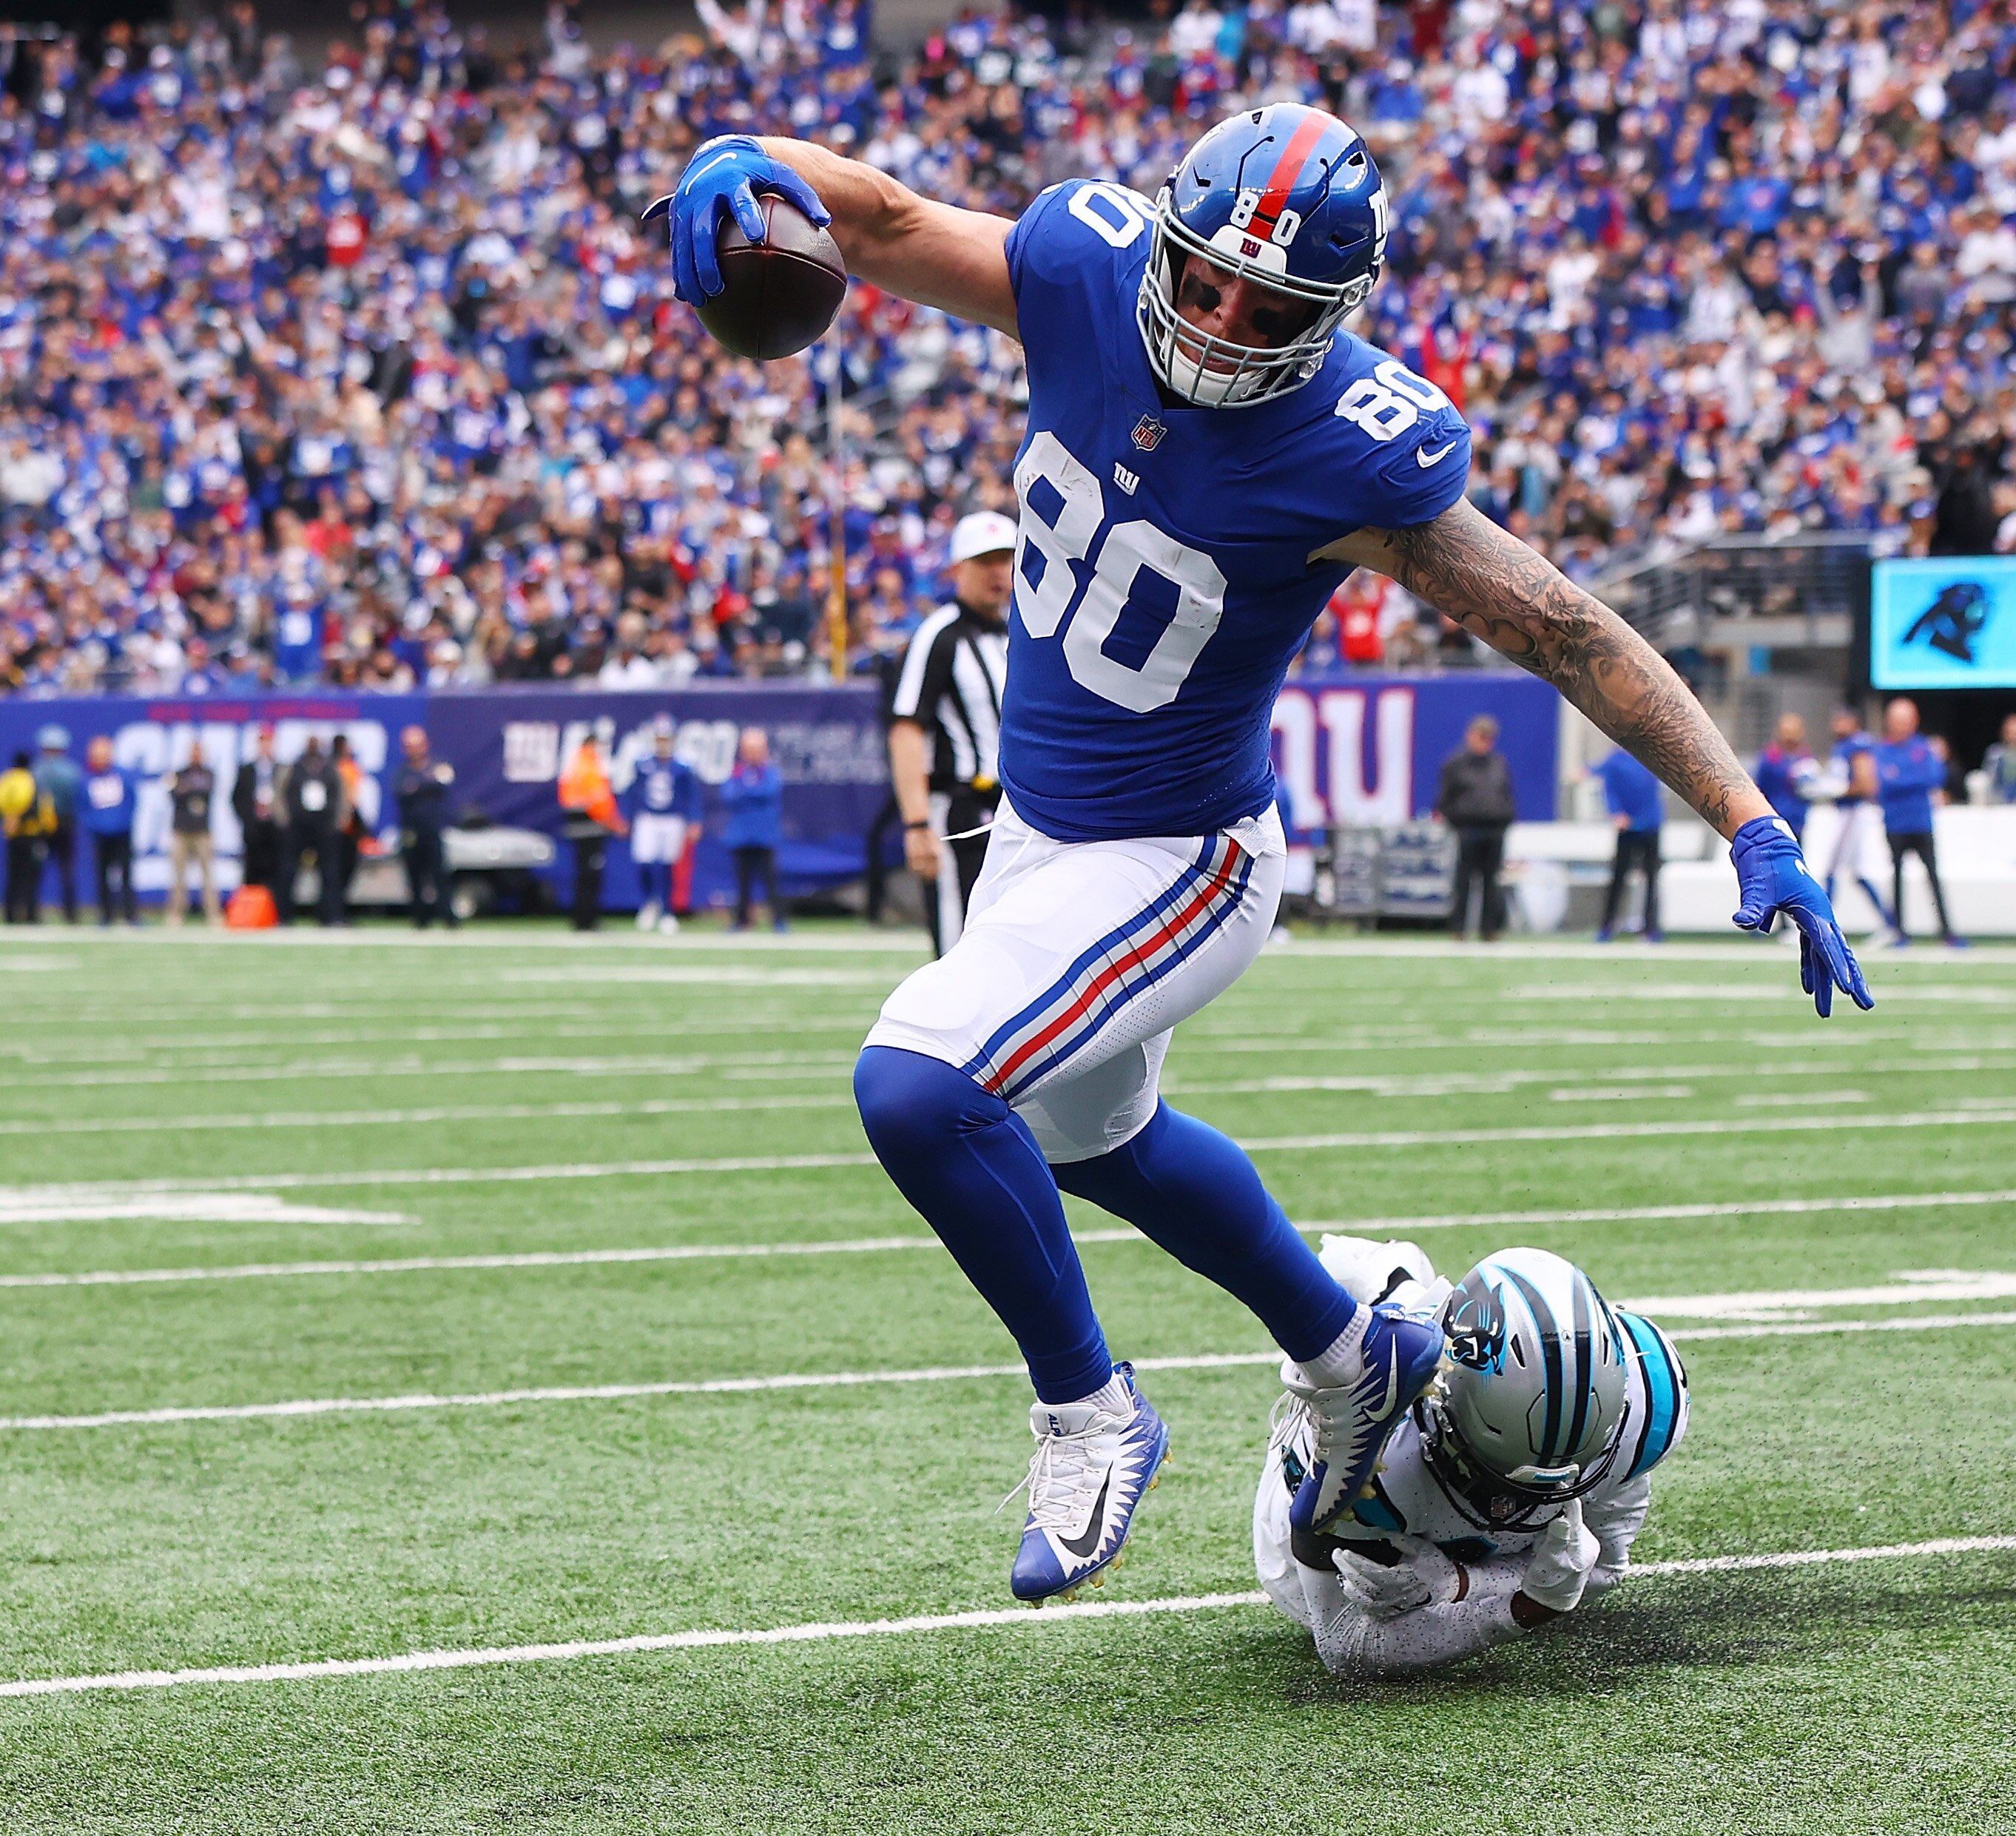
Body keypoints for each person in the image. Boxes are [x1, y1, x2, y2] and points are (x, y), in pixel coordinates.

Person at [656, 107, 1863, 1602]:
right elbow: (886, 220)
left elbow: (1564, 629)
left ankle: (1090, 1411)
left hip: (1181, 856)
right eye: (1208, 280)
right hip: (1037, 832)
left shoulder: (1352, 444)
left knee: (916, 1082)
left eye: (1270, 307)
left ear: (1332, 314)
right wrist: (743, 156)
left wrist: (1748, 819)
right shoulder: (1084, 270)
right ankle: (1354, 1354)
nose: (1224, 322)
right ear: (1166, 241)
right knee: (1096, 1141)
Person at [1253, 1238, 1687, 1678]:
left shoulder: (1644, 1403)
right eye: (1496, 1473)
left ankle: (1398, 1290)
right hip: (1368, 1531)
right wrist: (1527, 1607)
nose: (1525, 1500)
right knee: (1374, 1599)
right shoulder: (1366, 1452)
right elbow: (1345, 1643)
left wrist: (1463, 1584)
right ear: (1445, 1411)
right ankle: (1385, 1294)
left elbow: (1604, 1567)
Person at [890, 510, 1015, 953]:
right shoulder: (939, 635)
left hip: (1012, 813)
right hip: (958, 810)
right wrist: (917, 823)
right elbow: (906, 729)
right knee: (958, 950)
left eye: (1005, 559)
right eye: (985, 561)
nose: (997, 572)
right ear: (958, 569)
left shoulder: (1019, 635)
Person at [1874, 697, 1961, 947]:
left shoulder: (1923, 748)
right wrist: (1910, 779)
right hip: (1895, 823)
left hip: (1921, 822)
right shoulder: (1883, 750)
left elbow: (1933, 777)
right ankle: (1899, 931)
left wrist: (1900, 778)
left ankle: (1946, 931)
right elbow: (1884, 782)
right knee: (1897, 879)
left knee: (1933, 877)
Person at [1807, 706, 1895, 934]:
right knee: (1858, 873)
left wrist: (1837, 790)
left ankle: (1820, 925)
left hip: (1853, 812)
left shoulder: (1858, 745)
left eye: (1841, 720)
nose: (1835, 725)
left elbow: (1866, 784)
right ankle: (1890, 924)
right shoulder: (1842, 746)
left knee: (1832, 869)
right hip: (1846, 812)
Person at [623, 715, 705, 934]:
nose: (663, 743)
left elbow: (693, 796)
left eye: (666, 739)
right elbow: (632, 792)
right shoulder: (642, 764)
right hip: (648, 817)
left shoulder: (682, 766)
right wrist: (627, 817)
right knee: (644, 862)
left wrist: (694, 820)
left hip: (673, 818)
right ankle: (650, 901)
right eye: (660, 738)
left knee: (668, 866)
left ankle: (667, 911)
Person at [1437, 714, 1516, 940]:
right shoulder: (1456, 764)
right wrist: (1457, 822)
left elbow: (1506, 794)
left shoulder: (1498, 763)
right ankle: (1459, 929)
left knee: (1492, 882)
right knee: (1464, 881)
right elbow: (1445, 798)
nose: (1485, 742)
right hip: (1468, 828)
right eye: (1482, 737)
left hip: (1494, 829)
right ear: (1471, 736)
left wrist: (1505, 818)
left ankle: (1490, 929)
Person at [721, 726, 789, 932]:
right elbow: (728, 795)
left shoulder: (770, 772)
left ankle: (778, 921)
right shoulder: (738, 771)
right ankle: (741, 921)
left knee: (771, 881)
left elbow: (768, 793)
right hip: (742, 835)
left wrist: (746, 792)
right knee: (742, 883)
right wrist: (750, 793)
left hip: (765, 835)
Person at [1591, 745, 1662, 941]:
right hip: (1627, 828)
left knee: (1651, 878)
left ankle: (1650, 929)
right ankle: (1607, 926)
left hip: (1650, 826)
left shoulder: (1650, 756)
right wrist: (1617, 813)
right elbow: (1609, 789)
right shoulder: (1616, 761)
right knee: (1618, 878)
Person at [394, 726, 458, 930]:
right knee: (415, 877)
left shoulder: (436, 766)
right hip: (411, 832)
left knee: (439, 875)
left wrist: (419, 787)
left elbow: (442, 783)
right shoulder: (403, 771)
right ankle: (420, 919)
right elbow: (401, 791)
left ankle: (448, 917)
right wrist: (425, 785)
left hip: (432, 830)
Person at [283, 735, 350, 927]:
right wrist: (288, 819)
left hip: (325, 825)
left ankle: (330, 915)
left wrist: (339, 819)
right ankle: (285, 915)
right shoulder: (296, 767)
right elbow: (285, 793)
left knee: (330, 872)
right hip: (299, 825)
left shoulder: (329, 768)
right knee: (289, 870)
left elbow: (340, 793)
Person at [556, 732, 620, 932]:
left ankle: (581, 918)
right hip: (591, 829)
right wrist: (613, 822)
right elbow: (599, 801)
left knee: (582, 874)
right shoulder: (589, 768)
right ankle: (587, 919)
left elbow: (566, 798)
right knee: (591, 876)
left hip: (578, 828)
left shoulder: (574, 766)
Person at [76, 736, 139, 926]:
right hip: (100, 836)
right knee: (102, 877)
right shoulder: (86, 779)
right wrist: (95, 826)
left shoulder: (122, 776)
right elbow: (82, 807)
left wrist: (122, 823)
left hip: (121, 834)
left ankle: (130, 915)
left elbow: (131, 800)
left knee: (126, 876)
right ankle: (106, 915)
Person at [166, 742, 223, 925]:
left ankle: (213, 913)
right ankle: (176, 912)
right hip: (181, 830)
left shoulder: (208, 774)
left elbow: (206, 793)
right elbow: (173, 793)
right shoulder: (180, 773)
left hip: (202, 832)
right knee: (178, 875)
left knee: (208, 874)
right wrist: (187, 789)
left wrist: (186, 788)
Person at [232, 731, 286, 918]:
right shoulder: (247, 770)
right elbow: (236, 798)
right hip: (254, 828)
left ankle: (276, 914)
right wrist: (248, 817)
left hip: (275, 827)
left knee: (276, 871)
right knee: (252, 871)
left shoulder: (281, 768)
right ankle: (249, 915)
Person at [31, 726, 80, 923]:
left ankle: (32, 913)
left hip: (44, 826)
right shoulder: (71, 771)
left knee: (38, 868)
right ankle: (70, 914)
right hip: (65, 824)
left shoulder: (37, 770)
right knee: (65, 869)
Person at [0, 750, 48, 924]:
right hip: (30, 834)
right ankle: (30, 914)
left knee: (13, 875)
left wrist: (9, 821)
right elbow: (36, 806)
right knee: (31, 876)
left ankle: (10, 914)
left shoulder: (7, 779)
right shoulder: (31, 780)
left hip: (13, 835)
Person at [1751, 712, 1813, 839]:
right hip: (1773, 821)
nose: (1791, 737)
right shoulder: (1770, 758)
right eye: (1787, 732)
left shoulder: (1805, 758)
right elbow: (1757, 786)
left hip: (1797, 822)